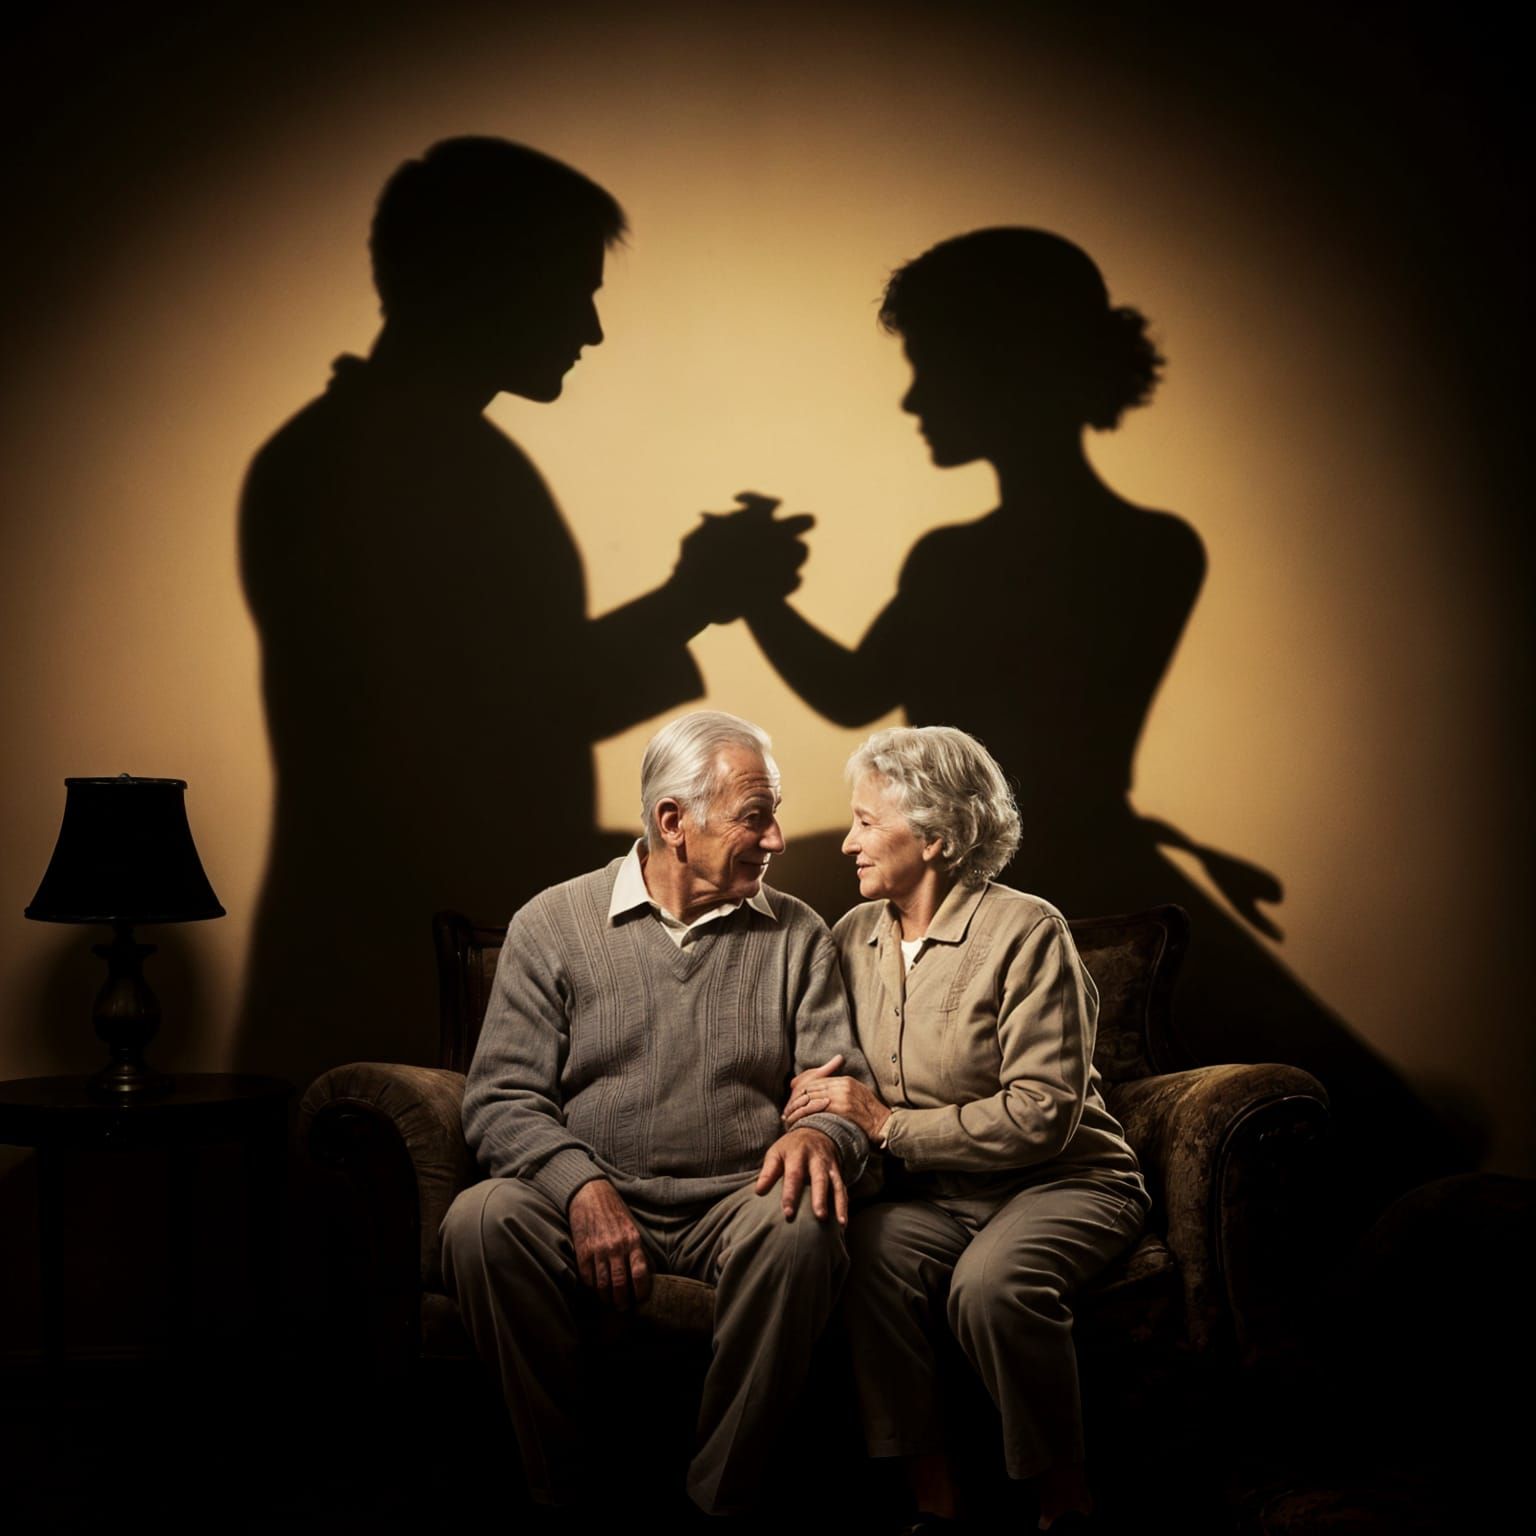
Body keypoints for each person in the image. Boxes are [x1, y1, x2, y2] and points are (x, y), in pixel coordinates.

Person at [238, 138, 809, 1089]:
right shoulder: (384, 465)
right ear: (484, 277)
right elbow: (476, 716)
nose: (591, 328)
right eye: (570, 290)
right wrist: (692, 597)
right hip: (401, 938)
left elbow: (496, 696)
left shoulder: (375, 453)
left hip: (426, 927)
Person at [439, 710, 876, 1523]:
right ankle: (561, 1494)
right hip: (591, 1197)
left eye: (774, 814)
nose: (777, 839)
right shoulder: (552, 924)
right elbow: (499, 1098)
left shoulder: (799, 936)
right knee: (479, 1220)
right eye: (755, 817)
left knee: (804, 1229)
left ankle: (719, 1498)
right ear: (673, 821)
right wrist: (579, 1187)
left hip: (738, 1201)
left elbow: (842, 1090)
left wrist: (820, 1134)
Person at [781, 725, 1149, 1533]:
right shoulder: (851, 937)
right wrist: (814, 1093)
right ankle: (934, 1504)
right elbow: (828, 1060)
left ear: (937, 837)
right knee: (863, 1257)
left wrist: (887, 1125)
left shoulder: (1028, 931)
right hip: (941, 1196)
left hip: (1062, 1181)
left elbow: (1042, 1113)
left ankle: (1065, 1502)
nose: (848, 843)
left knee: (993, 1287)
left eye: (867, 822)